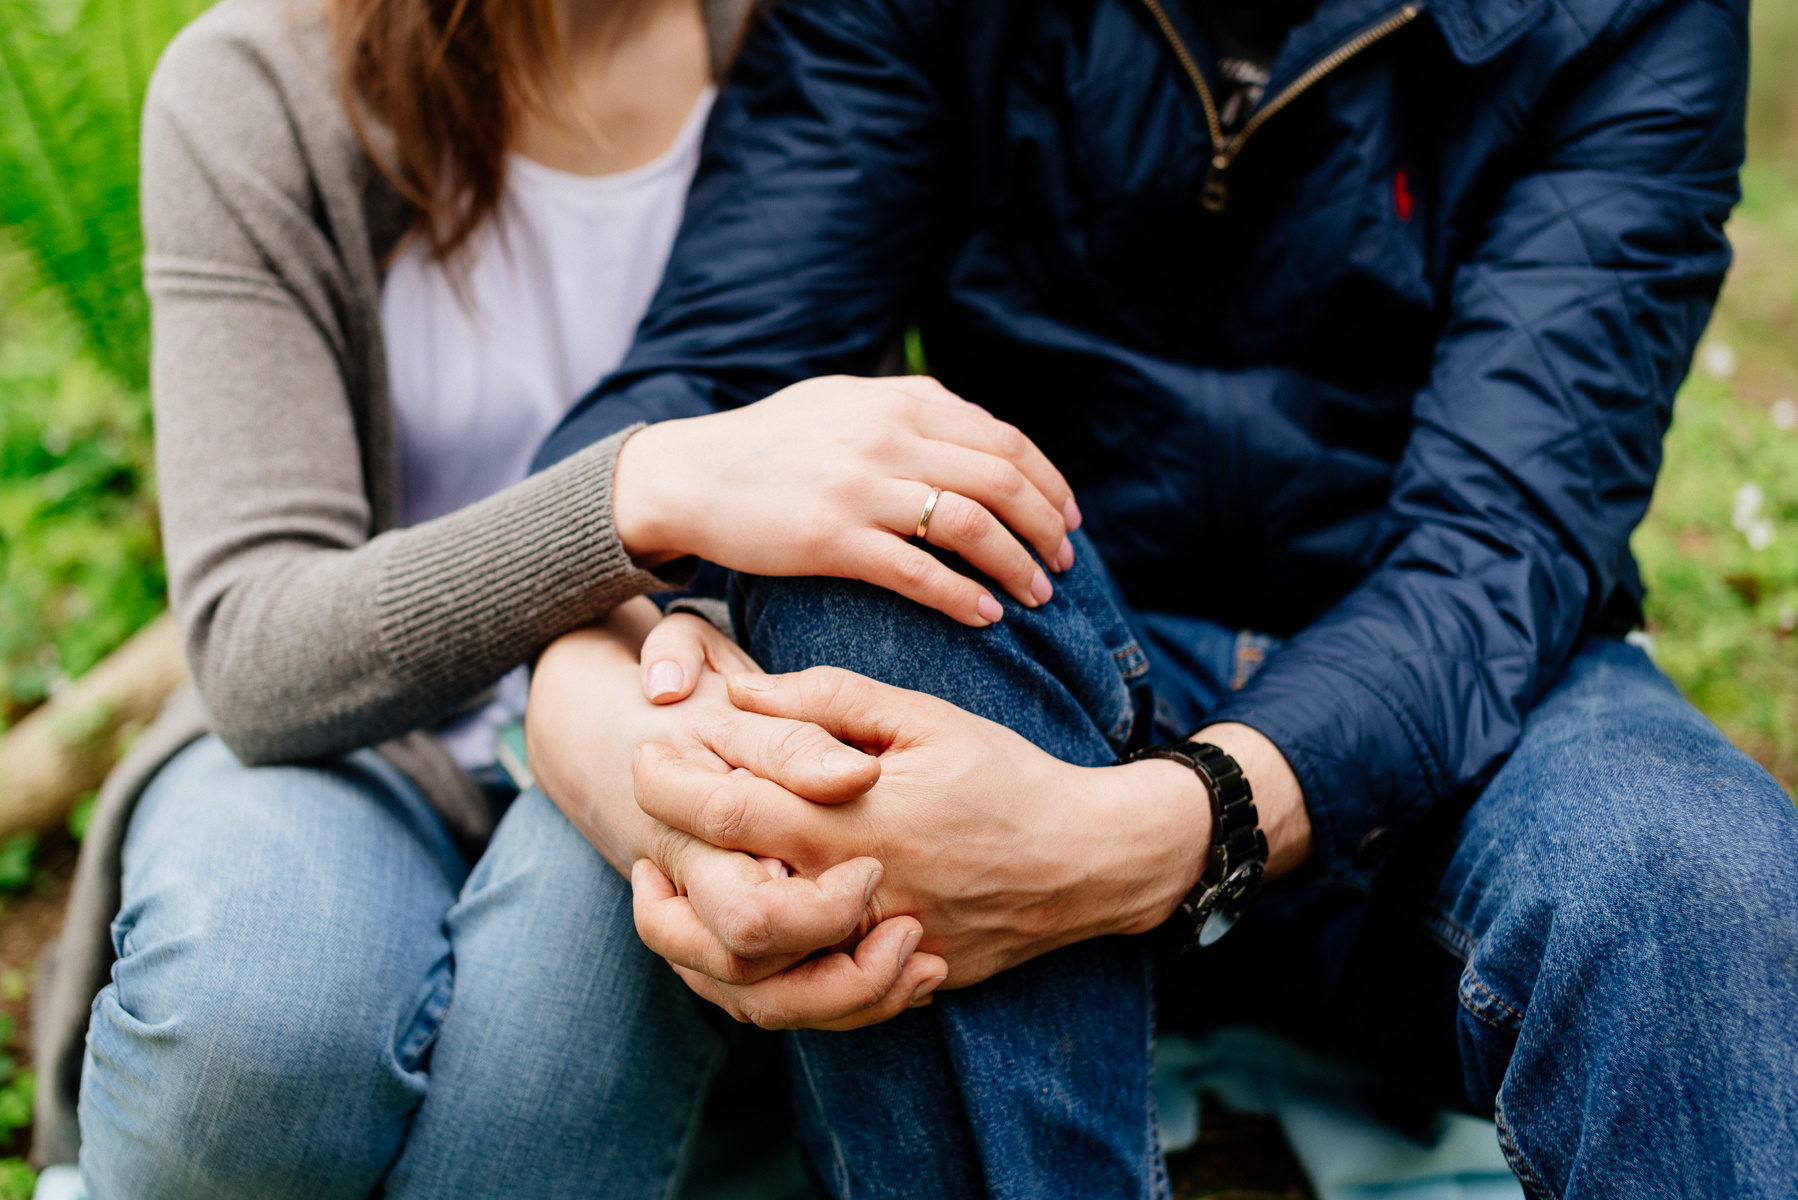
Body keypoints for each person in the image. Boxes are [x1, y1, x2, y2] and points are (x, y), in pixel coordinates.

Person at [524, 0, 1798, 1195]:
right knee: (864, 607)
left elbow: (1496, 550)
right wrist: (637, 718)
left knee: (1702, 880)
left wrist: (1140, 837)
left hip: (1460, 712)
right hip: (1048, 651)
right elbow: (705, 390)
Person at [32, 0, 1090, 1192]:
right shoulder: (264, 83)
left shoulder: (818, 47)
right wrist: (642, 492)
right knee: (250, 1044)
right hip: (352, 737)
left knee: (538, 1104)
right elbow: (260, 646)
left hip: (681, 714)